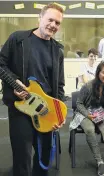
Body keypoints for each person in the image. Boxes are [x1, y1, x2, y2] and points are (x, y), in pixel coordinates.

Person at [0, 3, 65, 176]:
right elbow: (1, 64)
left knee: (43, 159)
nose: (53, 25)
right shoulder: (17, 39)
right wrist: (14, 82)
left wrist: (60, 113)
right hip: (20, 108)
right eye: (50, 19)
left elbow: (59, 85)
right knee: (22, 158)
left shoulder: (58, 50)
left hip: (45, 109)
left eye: (57, 23)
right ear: (40, 18)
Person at [69, 62, 104, 176]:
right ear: (98, 73)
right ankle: (100, 162)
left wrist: (103, 113)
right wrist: (88, 114)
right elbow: (79, 104)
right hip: (84, 113)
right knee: (89, 129)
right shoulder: (88, 86)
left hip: (100, 112)